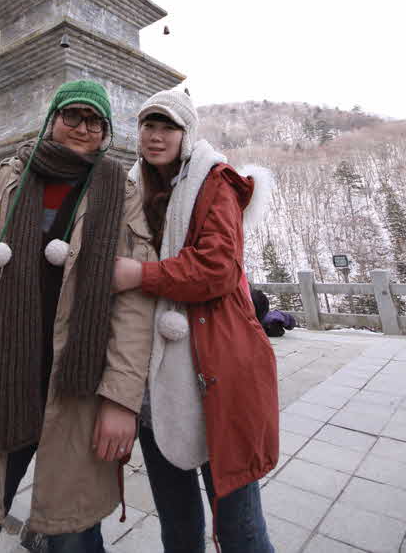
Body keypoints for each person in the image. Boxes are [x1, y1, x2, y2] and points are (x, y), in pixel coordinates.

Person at [0, 80, 156, 553]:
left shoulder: (120, 192)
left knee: (72, 529)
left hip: (78, 382)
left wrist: (121, 399)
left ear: (105, 132)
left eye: (95, 121)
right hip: (1, 372)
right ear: (52, 119)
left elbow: (134, 305)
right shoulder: (5, 180)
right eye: (72, 115)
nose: (83, 128)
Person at [113, 90, 279, 553]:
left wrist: (140, 275)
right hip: (154, 373)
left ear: (187, 134)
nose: (156, 136)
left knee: (239, 525)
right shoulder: (132, 188)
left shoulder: (215, 182)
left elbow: (218, 267)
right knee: (177, 521)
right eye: (148, 125)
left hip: (216, 369)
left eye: (168, 126)